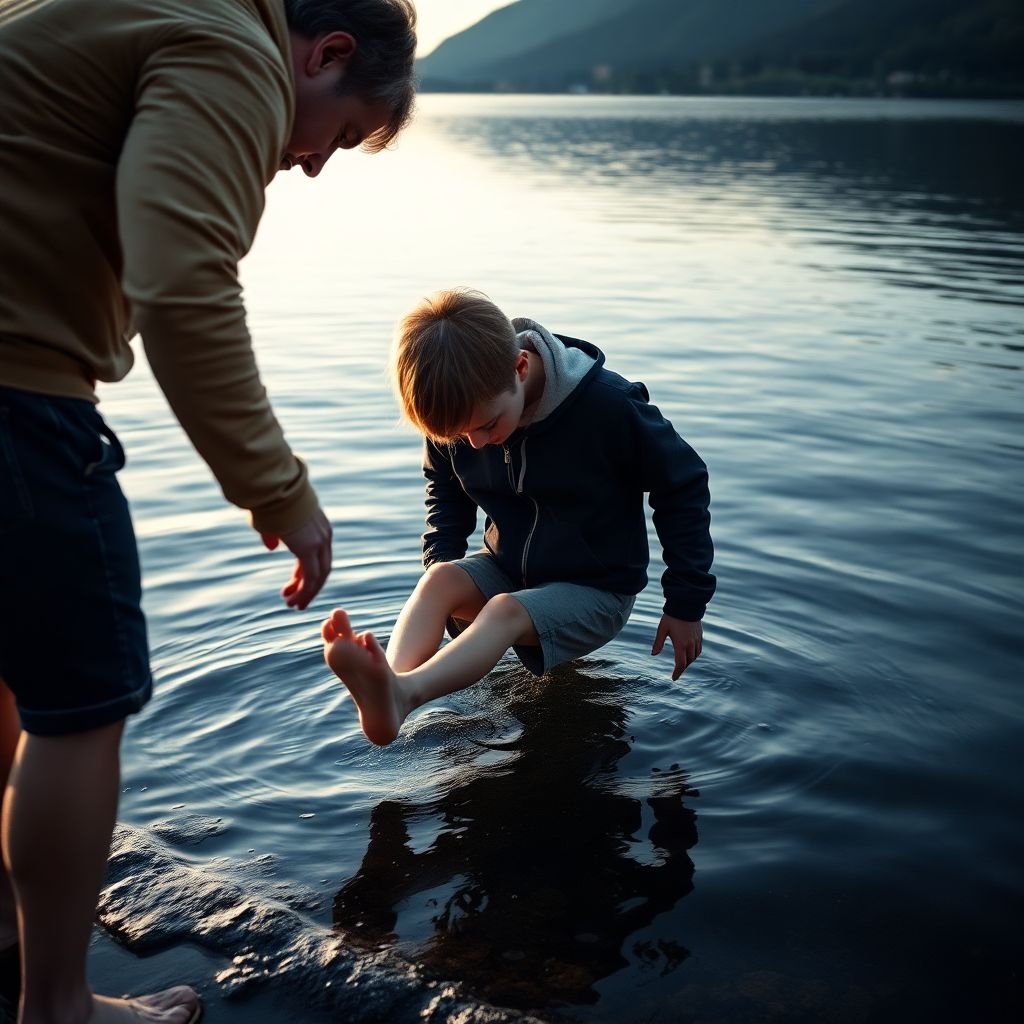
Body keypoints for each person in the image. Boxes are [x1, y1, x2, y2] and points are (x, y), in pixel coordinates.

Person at [0, 0, 416, 1021]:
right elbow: (182, 279)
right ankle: (56, 1005)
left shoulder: (119, 11)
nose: (313, 165)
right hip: (16, 394)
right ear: (325, 53)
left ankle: (4, 927)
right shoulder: (233, 48)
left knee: (7, 671)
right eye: (343, 133)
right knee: (79, 705)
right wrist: (278, 488)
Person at [322, 288, 715, 747]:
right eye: (458, 435)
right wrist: (444, 562)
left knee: (504, 611)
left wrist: (685, 604)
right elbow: (445, 492)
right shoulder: (460, 408)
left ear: (521, 367)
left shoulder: (609, 407)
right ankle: (387, 686)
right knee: (439, 581)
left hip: (597, 588)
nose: (474, 443)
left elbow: (683, 485)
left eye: (487, 425)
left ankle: (406, 695)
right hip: (509, 568)